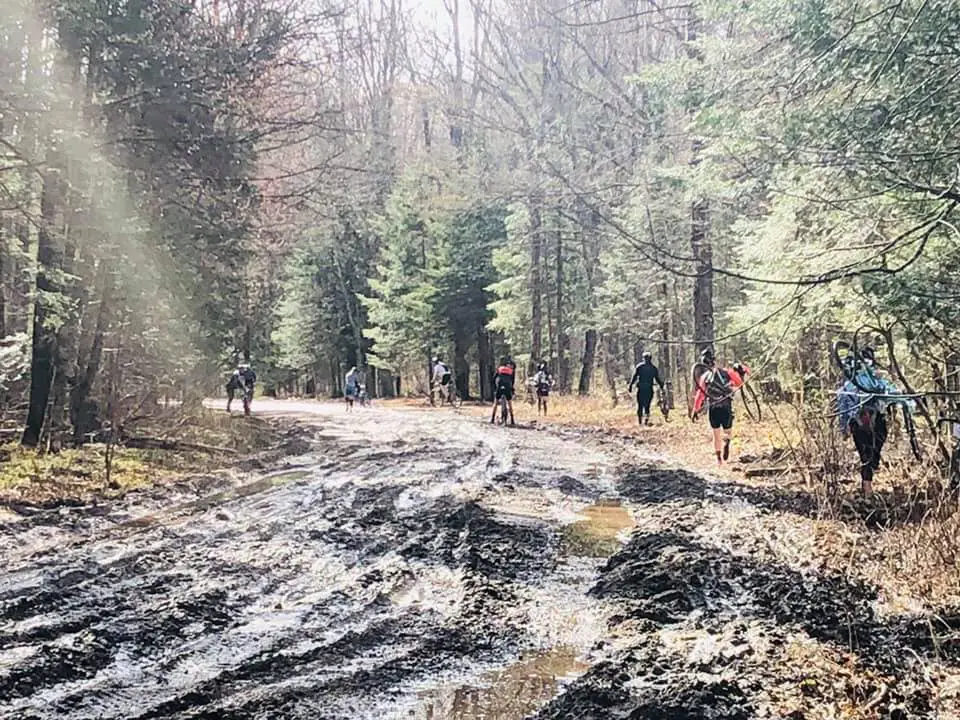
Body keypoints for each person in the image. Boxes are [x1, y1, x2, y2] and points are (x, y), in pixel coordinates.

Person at [837, 346, 913, 496]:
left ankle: (867, 484)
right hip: (862, 422)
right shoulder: (855, 384)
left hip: (872, 420)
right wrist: (844, 426)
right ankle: (867, 487)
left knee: (871, 454)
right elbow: (844, 406)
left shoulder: (872, 381)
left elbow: (889, 393)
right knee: (868, 454)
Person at [691, 349, 748, 465]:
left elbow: (700, 395)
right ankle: (727, 441)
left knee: (716, 434)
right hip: (726, 405)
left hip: (713, 407)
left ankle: (719, 460)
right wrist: (742, 371)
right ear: (714, 361)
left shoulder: (704, 377)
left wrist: (695, 410)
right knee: (727, 430)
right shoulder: (727, 372)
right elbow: (739, 383)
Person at [628, 351, 665, 426]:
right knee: (647, 405)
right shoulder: (653, 368)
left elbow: (634, 377)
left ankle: (640, 421)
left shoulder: (640, 367)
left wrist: (631, 385)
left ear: (643, 358)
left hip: (641, 389)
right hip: (649, 389)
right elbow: (657, 378)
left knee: (640, 405)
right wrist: (661, 386)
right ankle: (645, 420)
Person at [491, 356, 516, 425]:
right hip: (507, 388)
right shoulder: (511, 371)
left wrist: (494, 387)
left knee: (495, 403)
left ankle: (492, 419)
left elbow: (494, 378)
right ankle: (512, 420)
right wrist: (512, 389)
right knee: (510, 403)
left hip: (499, 387)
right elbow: (512, 381)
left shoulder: (499, 369)